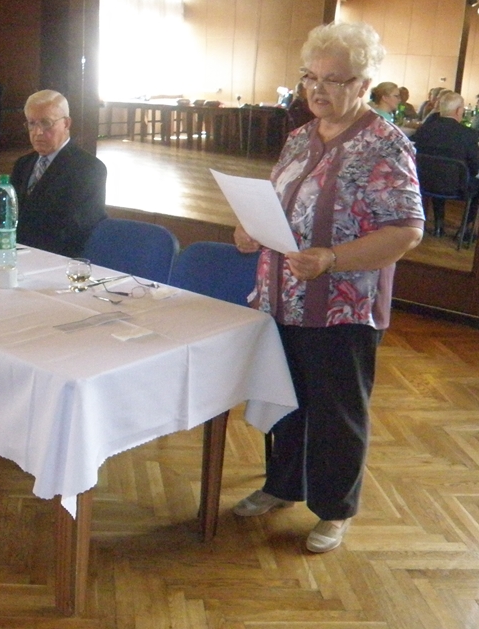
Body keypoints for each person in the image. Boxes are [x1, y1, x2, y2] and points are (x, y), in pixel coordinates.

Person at [232, 22, 424, 554]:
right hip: (281, 298)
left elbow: (407, 231)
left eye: (333, 80)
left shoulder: (385, 144)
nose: (316, 89)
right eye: (310, 77)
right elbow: (282, 204)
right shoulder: (300, 136)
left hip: (343, 308)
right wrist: (250, 230)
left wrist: (333, 258)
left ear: (364, 84)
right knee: (285, 398)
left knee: (337, 413)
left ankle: (335, 509)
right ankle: (282, 484)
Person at [10, 89, 107, 257]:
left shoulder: (89, 169)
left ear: (66, 124)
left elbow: (75, 227)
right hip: (16, 252)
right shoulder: (23, 164)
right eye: (32, 123)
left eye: (46, 123)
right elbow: (8, 213)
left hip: (57, 258)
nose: (38, 132)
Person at [412, 91, 479, 238]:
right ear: (458, 110)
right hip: (458, 187)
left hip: (424, 182)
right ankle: (464, 230)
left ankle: (438, 226)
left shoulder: (424, 130)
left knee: (438, 173)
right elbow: (475, 167)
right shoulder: (468, 134)